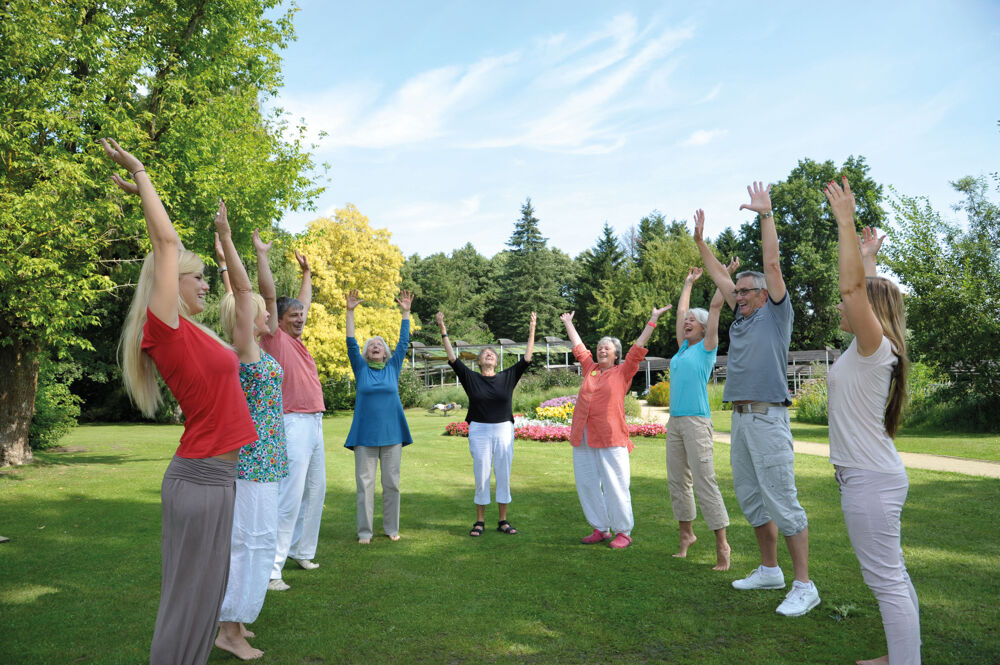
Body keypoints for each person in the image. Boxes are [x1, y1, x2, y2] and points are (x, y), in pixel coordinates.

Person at [107, 139, 257, 665]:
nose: (201, 284)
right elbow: (166, 246)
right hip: (200, 479)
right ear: (173, 285)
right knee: (187, 603)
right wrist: (143, 174)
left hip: (217, 478)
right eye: (196, 278)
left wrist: (226, 242)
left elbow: (170, 252)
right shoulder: (164, 331)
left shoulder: (195, 335)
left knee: (204, 599)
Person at [694, 182, 819, 617]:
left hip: (769, 418)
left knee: (783, 499)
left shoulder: (776, 313)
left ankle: (805, 584)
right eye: (738, 291)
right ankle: (770, 570)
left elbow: (771, 262)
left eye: (745, 291)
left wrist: (765, 215)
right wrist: (700, 243)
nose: (738, 295)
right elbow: (718, 276)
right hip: (741, 420)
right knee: (752, 499)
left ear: (763, 294)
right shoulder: (743, 319)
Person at [825, 177, 918, 665]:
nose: (842, 304)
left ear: (869, 313)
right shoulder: (872, 351)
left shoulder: (874, 347)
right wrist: (868, 254)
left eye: (851, 302)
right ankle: (903, 655)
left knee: (886, 580)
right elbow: (865, 288)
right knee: (891, 576)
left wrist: (844, 221)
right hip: (870, 478)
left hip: (869, 482)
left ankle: (905, 662)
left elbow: (854, 288)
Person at [213, 212, 289, 660]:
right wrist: (226, 236)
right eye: (261, 311)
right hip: (252, 461)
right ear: (249, 319)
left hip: (266, 460)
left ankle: (237, 619)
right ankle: (228, 629)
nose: (266, 310)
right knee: (249, 541)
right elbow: (242, 296)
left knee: (255, 539)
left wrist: (232, 260)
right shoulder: (244, 349)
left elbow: (245, 293)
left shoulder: (259, 347)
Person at [559, 306, 670, 549]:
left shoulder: (623, 371)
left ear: (616, 355)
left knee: (616, 485)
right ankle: (600, 528)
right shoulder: (591, 369)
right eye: (599, 347)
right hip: (584, 436)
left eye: (606, 348)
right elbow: (579, 349)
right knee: (587, 484)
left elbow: (638, 350)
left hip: (611, 436)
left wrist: (652, 319)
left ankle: (623, 532)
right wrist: (568, 322)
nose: (601, 350)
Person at [258, 244, 326, 591]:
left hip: (314, 422)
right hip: (293, 422)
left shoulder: (298, 340)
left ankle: (302, 549)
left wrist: (307, 274)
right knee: (290, 496)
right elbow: (269, 297)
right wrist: (263, 257)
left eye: (302, 315)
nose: (301, 318)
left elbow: (303, 304)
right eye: (294, 316)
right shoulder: (275, 339)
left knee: (316, 491)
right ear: (279, 320)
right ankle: (272, 569)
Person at [437, 311, 537, 537]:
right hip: (479, 429)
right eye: (485, 354)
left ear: (497, 360)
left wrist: (532, 330)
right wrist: (443, 328)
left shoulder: (507, 376)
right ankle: (479, 521)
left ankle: (503, 520)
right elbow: (452, 358)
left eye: (492, 353)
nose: (489, 355)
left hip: (503, 428)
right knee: (481, 473)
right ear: (480, 361)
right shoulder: (471, 377)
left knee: (503, 473)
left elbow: (527, 359)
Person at [666, 264, 733, 570]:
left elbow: (717, 305)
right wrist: (688, 282)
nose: (688, 321)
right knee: (677, 481)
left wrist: (725, 275)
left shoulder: (707, 347)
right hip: (676, 422)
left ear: (705, 327)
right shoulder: (682, 348)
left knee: (705, 482)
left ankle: (722, 546)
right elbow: (680, 313)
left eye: (694, 320)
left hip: (696, 422)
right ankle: (686, 537)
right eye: (687, 320)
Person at [344, 289, 415, 544]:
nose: (375, 346)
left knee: (392, 484)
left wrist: (405, 313)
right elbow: (351, 342)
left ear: (385, 353)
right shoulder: (361, 368)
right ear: (366, 354)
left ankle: (391, 528)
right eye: (371, 345)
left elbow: (403, 342)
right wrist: (350, 311)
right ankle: (365, 532)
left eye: (379, 345)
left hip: (392, 434)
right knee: (364, 486)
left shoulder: (393, 367)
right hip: (365, 436)